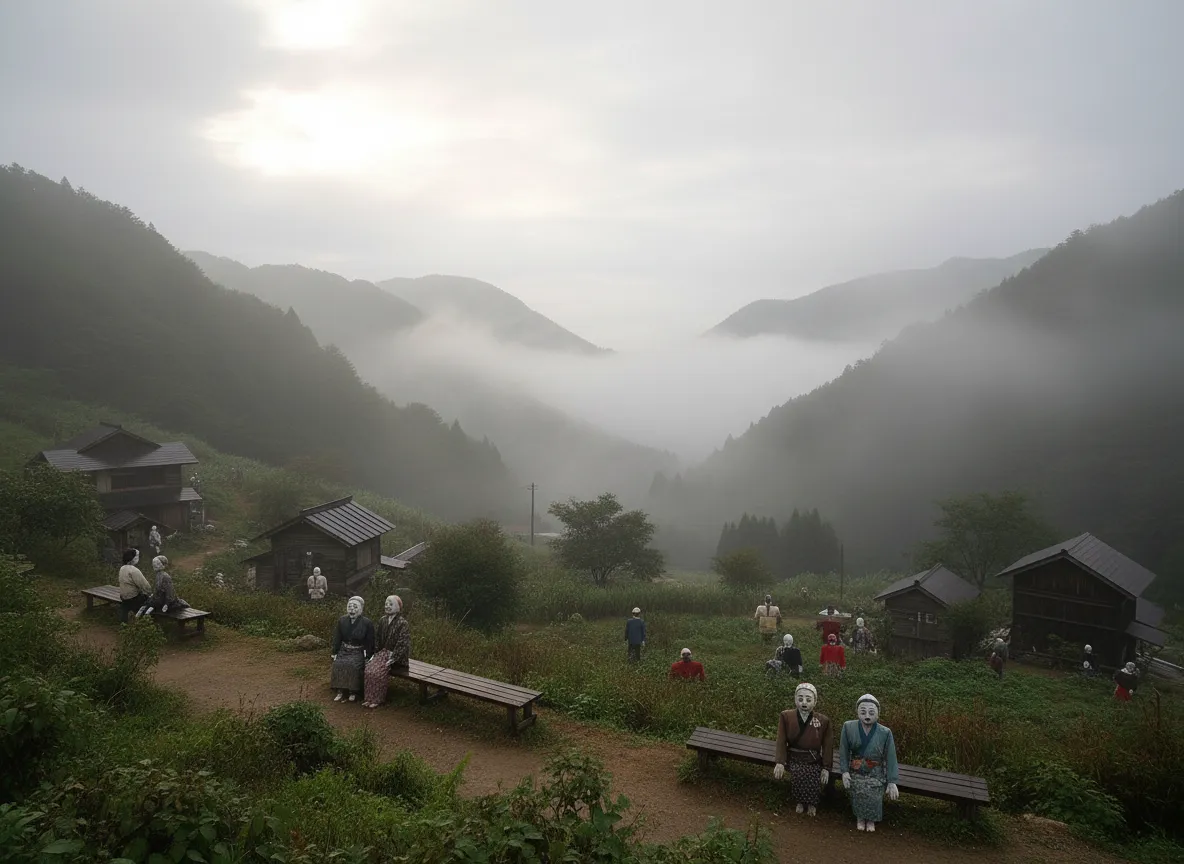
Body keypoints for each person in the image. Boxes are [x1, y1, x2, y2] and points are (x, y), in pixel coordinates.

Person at [839, 694, 900, 833]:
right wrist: (845, 771)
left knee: (875, 791)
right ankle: (860, 817)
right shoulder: (848, 727)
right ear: (857, 712)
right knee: (858, 788)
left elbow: (890, 756)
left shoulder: (885, 732)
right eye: (863, 712)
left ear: (878, 713)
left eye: (871, 712)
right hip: (856, 769)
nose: (867, 716)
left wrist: (892, 781)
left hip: (875, 771)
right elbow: (843, 751)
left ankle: (871, 819)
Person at [773, 682, 834, 816]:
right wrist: (780, 761)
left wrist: (826, 767)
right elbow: (781, 740)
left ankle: (812, 803)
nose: (804, 703)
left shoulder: (823, 720)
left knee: (813, 774)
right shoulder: (786, 716)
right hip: (794, 756)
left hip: (813, 758)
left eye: (808, 699)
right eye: (800, 699)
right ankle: (800, 801)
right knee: (798, 773)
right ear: (795, 699)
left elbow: (828, 745)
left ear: (815, 701)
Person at [362, 595, 411, 709]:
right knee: (369, 669)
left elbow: (403, 643)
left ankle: (378, 699)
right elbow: (378, 639)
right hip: (382, 653)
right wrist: (375, 654)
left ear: (398, 607)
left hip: (396, 657)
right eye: (386, 604)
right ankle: (369, 698)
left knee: (378, 672)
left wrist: (393, 657)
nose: (387, 606)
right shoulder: (382, 620)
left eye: (391, 604)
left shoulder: (403, 623)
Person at [330, 596, 375, 703]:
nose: (352, 609)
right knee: (338, 664)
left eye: (355, 607)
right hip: (344, 650)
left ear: (361, 609)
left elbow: (370, 641)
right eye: (349, 606)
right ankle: (340, 690)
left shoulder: (367, 623)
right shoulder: (342, 620)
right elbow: (337, 638)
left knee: (352, 666)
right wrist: (335, 652)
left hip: (358, 651)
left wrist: (369, 655)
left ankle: (352, 691)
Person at [117, 548, 152, 624]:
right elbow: (145, 586)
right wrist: (150, 593)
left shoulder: (122, 568)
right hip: (133, 598)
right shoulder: (134, 570)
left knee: (126, 605)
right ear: (134, 558)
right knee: (149, 602)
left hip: (123, 597)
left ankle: (124, 622)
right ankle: (143, 621)